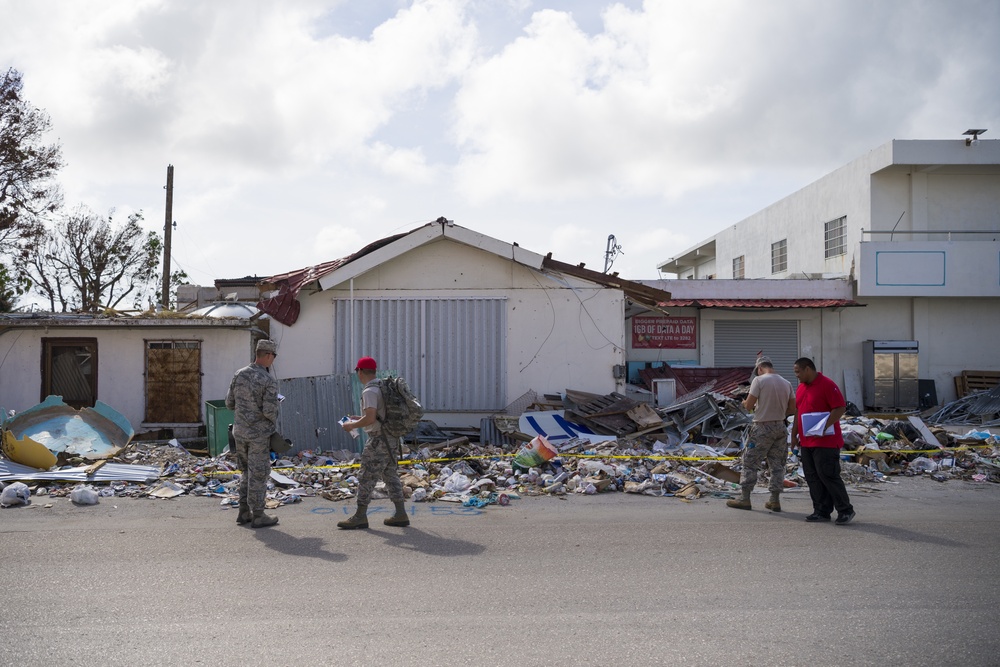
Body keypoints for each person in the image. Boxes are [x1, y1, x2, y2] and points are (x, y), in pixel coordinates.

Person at [337, 356, 409, 529]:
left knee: (366, 476)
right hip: (391, 438)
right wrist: (358, 418)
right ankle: (400, 514)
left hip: (378, 440)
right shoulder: (383, 387)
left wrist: (352, 425)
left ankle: (360, 516)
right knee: (390, 475)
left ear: (360, 371)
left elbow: (370, 418)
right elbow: (377, 415)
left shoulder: (369, 391)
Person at [791, 357, 856, 525]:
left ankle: (845, 510)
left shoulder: (827, 384)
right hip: (806, 442)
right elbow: (799, 413)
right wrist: (793, 435)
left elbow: (840, 408)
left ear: (807, 369)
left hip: (825, 442)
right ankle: (821, 511)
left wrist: (823, 426)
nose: (796, 375)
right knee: (812, 477)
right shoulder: (801, 388)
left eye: (798, 371)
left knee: (828, 475)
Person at [727, 356, 796, 512]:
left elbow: (749, 406)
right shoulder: (787, 383)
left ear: (759, 369)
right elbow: (792, 409)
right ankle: (774, 500)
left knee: (750, 462)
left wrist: (745, 402)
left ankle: (744, 499)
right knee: (777, 465)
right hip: (780, 426)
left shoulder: (758, 381)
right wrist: (777, 413)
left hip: (762, 427)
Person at [225, 339, 280, 528]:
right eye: (273, 356)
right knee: (258, 473)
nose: (273, 360)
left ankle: (243, 512)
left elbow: (229, 403)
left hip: (239, 432)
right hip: (258, 435)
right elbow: (269, 411)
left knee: (246, 472)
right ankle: (258, 515)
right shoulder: (267, 380)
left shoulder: (239, 374)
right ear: (268, 355)